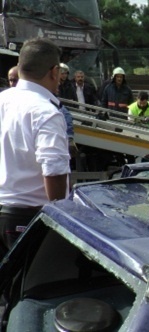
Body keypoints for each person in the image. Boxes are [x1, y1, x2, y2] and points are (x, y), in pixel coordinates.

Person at [0, 37, 70, 255]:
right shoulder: (46, 112)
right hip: (27, 217)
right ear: (54, 71)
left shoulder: (3, 100)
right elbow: (54, 171)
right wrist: (63, 220)